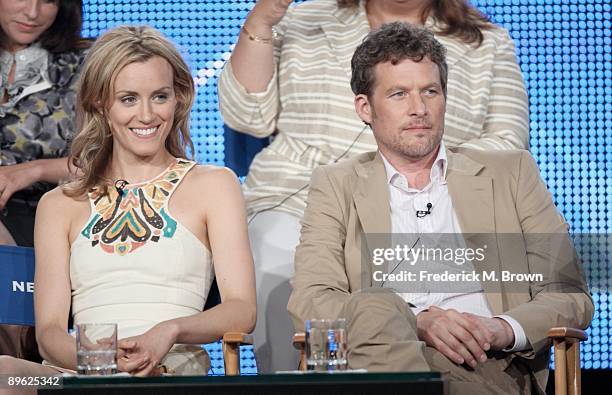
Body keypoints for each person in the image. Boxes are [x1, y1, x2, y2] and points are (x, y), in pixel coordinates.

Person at [217, 0, 529, 372]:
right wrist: (263, 19)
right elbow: (247, 115)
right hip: (297, 198)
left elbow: (508, 141)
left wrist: (412, 158)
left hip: (426, 195)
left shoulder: (486, 41)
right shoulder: (304, 19)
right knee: (280, 258)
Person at [287, 23, 592, 394]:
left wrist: (499, 329)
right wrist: (415, 321)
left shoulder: (510, 173)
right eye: (399, 94)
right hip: (376, 356)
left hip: (483, 361)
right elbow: (311, 299)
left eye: (429, 91)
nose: (419, 109)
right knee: (377, 307)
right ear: (365, 108)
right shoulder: (336, 183)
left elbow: (569, 296)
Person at [0, 25, 256, 380]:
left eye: (160, 96)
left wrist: (169, 331)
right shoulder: (59, 203)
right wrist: (99, 359)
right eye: (129, 99)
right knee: (5, 374)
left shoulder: (215, 185)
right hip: (79, 375)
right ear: (100, 105)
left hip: (170, 372)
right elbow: (49, 334)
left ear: (179, 97)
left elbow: (242, 310)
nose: (148, 115)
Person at [0, 0, 89, 363]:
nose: (33, 12)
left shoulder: (85, 64)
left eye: (49, 0)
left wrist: (31, 171)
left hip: (57, 211)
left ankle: (23, 361)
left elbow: (113, 160)